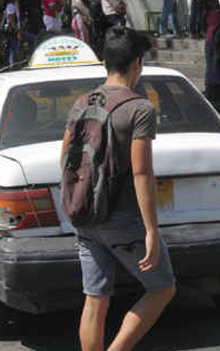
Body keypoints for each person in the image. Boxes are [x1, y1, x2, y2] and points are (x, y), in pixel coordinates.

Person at [61, 26, 177, 351]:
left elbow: (65, 159)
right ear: (137, 62)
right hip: (123, 218)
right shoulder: (139, 108)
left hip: (84, 215)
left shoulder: (81, 103)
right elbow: (142, 171)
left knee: (95, 299)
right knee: (163, 288)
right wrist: (152, 230)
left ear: (105, 62)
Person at [204, 0, 220, 100]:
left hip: (211, 39)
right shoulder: (217, 13)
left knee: (212, 66)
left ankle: (212, 89)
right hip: (215, 41)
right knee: (216, 66)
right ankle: (215, 90)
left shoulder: (210, 12)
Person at [5, 0, 37, 67]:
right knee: (13, 49)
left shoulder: (15, 5)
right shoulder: (10, 6)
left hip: (17, 30)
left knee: (15, 48)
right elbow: (12, 21)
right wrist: (18, 32)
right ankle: (12, 66)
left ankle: (18, 63)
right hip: (13, 32)